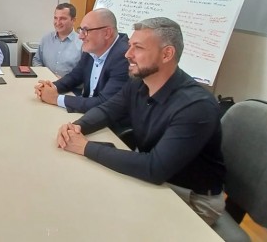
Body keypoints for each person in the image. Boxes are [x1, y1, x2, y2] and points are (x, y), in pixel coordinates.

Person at [56, 17, 225, 225]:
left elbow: (154, 168)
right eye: (129, 46)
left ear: (167, 54)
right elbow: (107, 110)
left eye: (138, 48)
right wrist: (77, 127)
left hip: (190, 197)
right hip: (157, 178)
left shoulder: (196, 107)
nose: (128, 54)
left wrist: (85, 147)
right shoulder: (138, 83)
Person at [34, 8, 129, 113]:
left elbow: (104, 102)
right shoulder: (93, 48)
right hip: (88, 112)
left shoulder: (124, 57)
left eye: (86, 31)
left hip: (109, 124)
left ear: (107, 33)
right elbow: (75, 76)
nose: (80, 36)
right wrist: (52, 87)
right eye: (81, 30)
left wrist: (56, 98)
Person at [32, 3, 82, 77]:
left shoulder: (82, 43)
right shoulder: (46, 39)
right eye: (55, 18)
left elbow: (84, 72)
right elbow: (37, 60)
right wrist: (44, 75)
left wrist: (64, 82)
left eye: (63, 18)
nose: (58, 22)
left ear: (73, 20)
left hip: (69, 87)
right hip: (45, 84)